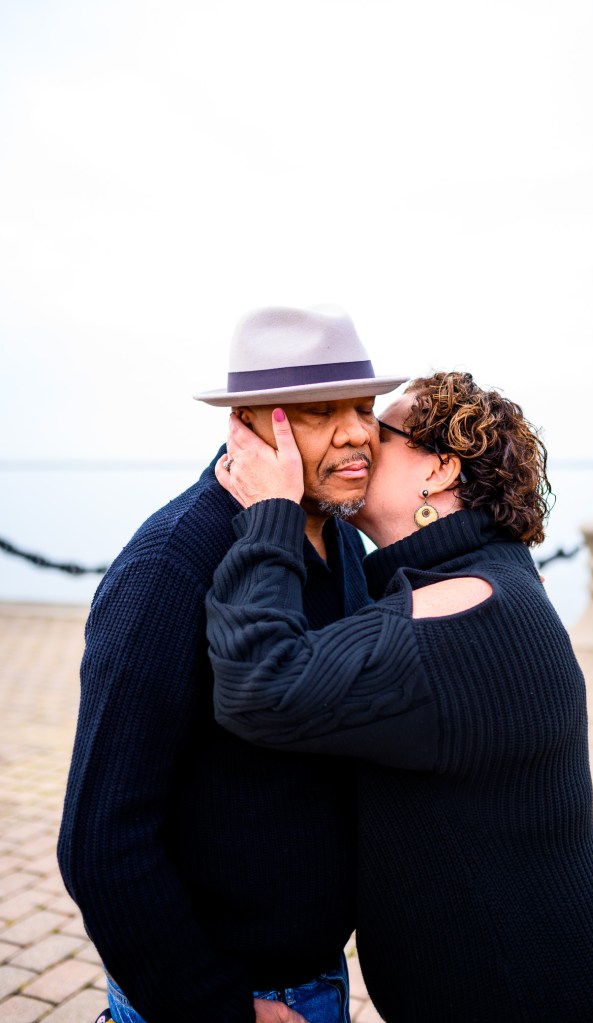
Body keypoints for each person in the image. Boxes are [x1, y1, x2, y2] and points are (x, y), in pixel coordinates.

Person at [205, 370, 593, 1023]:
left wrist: (268, 516)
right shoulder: (487, 574)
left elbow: (258, 686)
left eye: (376, 429)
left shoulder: (460, 611)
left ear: (440, 468)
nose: (354, 438)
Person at [56, 305, 407, 1023]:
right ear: (249, 421)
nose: (357, 432)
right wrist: (216, 1010)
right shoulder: (168, 566)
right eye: (319, 412)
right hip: (223, 997)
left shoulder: (337, 540)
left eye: (363, 407)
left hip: (318, 979)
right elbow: (99, 840)